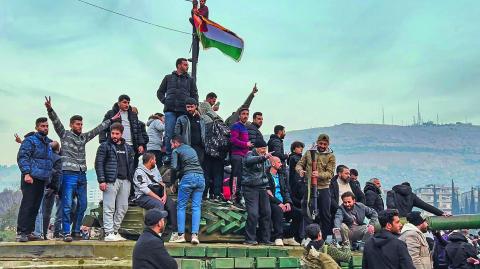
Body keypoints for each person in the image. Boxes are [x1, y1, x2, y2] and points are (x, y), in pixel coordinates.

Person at [45, 96, 119, 242]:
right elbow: (56, 123)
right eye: (78, 124)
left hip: (81, 174)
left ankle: (76, 230)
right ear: (72, 125)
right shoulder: (65, 135)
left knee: (83, 204)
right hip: (68, 174)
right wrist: (50, 109)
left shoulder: (83, 138)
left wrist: (111, 120)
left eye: (81, 124)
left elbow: (97, 130)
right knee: (66, 205)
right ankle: (66, 232)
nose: (80, 126)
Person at [95, 123, 135, 241]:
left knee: (123, 207)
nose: (114, 135)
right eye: (112, 133)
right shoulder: (104, 146)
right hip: (111, 180)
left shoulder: (128, 148)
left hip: (125, 180)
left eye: (117, 133)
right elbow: (99, 163)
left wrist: (130, 179)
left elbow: (131, 165)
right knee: (109, 207)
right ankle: (108, 232)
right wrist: (102, 180)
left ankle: (115, 230)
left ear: (121, 134)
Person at [16, 117, 53, 242]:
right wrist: (26, 173)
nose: (45, 128)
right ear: (37, 127)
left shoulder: (47, 143)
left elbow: (48, 162)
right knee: (27, 205)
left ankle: (29, 231)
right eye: (42, 126)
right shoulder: (30, 141)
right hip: (30, 178)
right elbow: (23, 157)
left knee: (36, 207)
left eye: (47, 126)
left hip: (42, 179)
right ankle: (21, 232)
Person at [157, 58, 199, 164]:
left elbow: (195, 95)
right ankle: (169, 156)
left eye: (187, 65)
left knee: (183, 134)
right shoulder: (168, 78)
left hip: (184, 111)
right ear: (179, 65)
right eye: (185, 64)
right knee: (169, 133)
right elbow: (160, 92)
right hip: (170, 110)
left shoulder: (190, 80)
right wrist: (165, 101)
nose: (187, 66)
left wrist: (195, 107)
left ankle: (183, 155)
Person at [296, 134, 336, 237]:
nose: (322, 146)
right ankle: (306, 237)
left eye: (325, 144)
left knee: (325, 214)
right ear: (317, 142)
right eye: (321, 143)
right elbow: (299, 164)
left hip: (324, 188)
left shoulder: (331, 156)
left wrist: (319, 175)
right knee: (307, 212)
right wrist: (300, 170)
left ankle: (324, 237)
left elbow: (330, 173)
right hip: (309, 187)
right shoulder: (309, 153)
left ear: (328, 144)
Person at [133, 153, 178, 240]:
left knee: (171, 204)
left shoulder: (155, 168)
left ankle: (171, 231)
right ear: (151, 161)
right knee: (158, 204)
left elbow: (161, 183)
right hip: (143, 196)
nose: (156, 161)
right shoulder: (139, 172)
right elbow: (145, 189)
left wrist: (164, 195)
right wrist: (158, 198)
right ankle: (156, 232)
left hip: (158, 194)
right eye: (155, 160)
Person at [169, 136, 205, 244]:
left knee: (181, 206)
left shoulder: (176, 150)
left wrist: (172, 183)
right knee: (196, 207)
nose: (171, 146)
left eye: (172, 144)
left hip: (188, 178)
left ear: (176, 143)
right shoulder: (191, 149)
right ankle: (195, 236)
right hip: (200, 178)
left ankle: (181, 235)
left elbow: (174, 167)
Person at [99, 95, 146, 168]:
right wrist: (103, 142)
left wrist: (141, 144)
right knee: (115, 166)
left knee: (131, 167)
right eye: (124, 102)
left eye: (128, 103)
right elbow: (103, 127)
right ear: (118, 103)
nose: (127, 104)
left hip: (131, 146)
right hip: (115, 144)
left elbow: (138, 130)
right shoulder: (111, 113)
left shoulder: (133, 115)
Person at [242, 140, 273, 245]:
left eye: (265, 148)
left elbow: (267, 172)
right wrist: (263, 158)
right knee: (253, 214)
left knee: (267, 213)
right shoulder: (249, 155)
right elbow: (249, 161)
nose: (264, 151)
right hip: (250, 188)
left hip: (263, 187)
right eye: (262, 148)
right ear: (256, 148)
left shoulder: (266, 158)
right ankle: (249, 239)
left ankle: (265, 239)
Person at [267, 156, 302, 246]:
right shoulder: (266, 175)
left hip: (283, 202)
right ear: (273, 163)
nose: (281, 164)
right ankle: (278, 237)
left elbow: (286, 190)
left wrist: (288, 202)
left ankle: (288, 237)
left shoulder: (281, 175)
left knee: (299, 213)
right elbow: (267, 193)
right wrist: (279, 203)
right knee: (278, 210)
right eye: (279, 162)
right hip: (272, 202)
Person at [230, 107, 253, 202]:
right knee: (236, 176)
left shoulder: (245, 127)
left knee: (240, 177)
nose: (245, 116)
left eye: (247, 114)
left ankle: (238, 197)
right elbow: (233, 139)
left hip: (244, 156)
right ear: (239, 115)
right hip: (236, 155)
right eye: (243, 114)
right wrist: (246, 144)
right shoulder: (236, 126)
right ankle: (233, 196)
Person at [174, 97, 206, 164]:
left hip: (199, 148)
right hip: (187, 148)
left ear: (196, 106)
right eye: (188, 107)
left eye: (192, 107)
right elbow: (177, 134)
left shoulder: (201, 119)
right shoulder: (181, 119)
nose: (190, 109)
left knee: (198, 167)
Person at [41, 141, 63, 239]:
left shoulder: (44, 156)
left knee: (39, 211)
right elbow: (57, 175)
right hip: (50, 188)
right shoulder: (58, 159)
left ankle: (38, 232)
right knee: (47, 212)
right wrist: (56, 189)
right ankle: (44, 233)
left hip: (41, 185)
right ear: (58, 149)